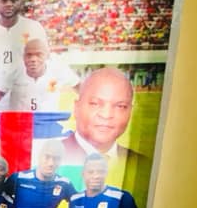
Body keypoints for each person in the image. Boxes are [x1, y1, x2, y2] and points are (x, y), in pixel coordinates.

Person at [59, 67, 145, 200]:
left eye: (120, 106)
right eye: (95, 104)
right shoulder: (48, 159)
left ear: (130, 112)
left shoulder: (143, 165)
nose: (106, 115)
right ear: (76, 107)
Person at [0, 38, 79, 114]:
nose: (33, 59)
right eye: (29, 55)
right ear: (23, 56)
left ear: (47, 55)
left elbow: (78, 85)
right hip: (20, 123)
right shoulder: (15, 70)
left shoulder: (58, 68)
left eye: (39, 54)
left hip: (46, 122)